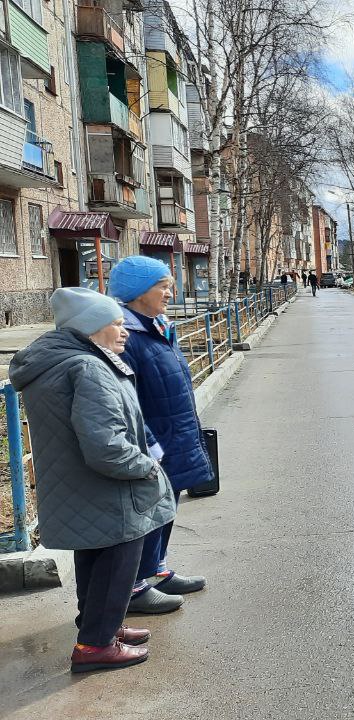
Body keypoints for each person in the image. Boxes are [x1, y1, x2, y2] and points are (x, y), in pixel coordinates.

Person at [9, 288, 177, 673]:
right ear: (90, 327)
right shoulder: (89, 367)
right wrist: (147, 466)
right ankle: (96, 646)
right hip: (107, 488)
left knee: (96, 561)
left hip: (80, 486)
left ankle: (100, 630)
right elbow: (106, 446)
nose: (125, 331)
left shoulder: (61, 360)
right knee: (116, 563)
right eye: (116, 324)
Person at [109, 256, 213, 614]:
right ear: (139, 293)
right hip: (155, 441)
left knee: (168, 507)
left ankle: (157, 568)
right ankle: (135, 588)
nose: (171, 293)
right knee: (148, 512)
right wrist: (149, 443)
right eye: (163, 286)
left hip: (175, 431)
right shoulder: (127, 337)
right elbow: (127, 399)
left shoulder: (158, 326)